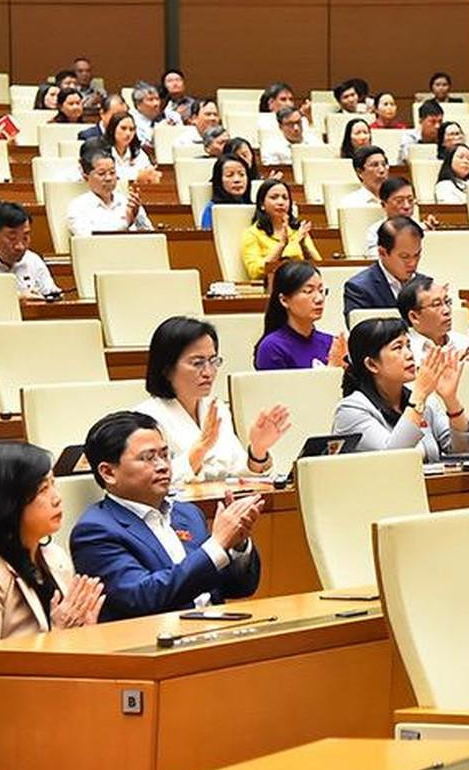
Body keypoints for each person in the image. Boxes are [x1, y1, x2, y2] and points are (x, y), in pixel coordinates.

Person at [69, 411, 263, 619]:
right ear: (108, 472)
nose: (163, 466)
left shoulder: (188, 514)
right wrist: (216, 545)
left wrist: (236, 546)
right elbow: (142, 597)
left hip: (216, 631)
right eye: (147, 458)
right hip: (155, 642)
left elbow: (240, 587)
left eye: (165, 455)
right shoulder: (95, 531)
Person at [0, 441, 105, 641]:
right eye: (43, 489)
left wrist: (84, 634)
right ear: (6, 501)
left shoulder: (55, 557)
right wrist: (58, 636)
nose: (57, 498)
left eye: (53, 484)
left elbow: (73, 645)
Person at [136, 317, 290, 484]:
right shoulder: (146, 418)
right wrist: (201, 447)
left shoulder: (216, 408)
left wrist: (258, 450)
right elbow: (150, 483)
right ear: (166, 368)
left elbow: (237, 473)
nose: (208, 372)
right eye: (197, 363)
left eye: (213, 361)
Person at [332, 318, 469, 461]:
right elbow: (395, 459)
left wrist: (450, 400)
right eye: (398, 348)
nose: (409, 354)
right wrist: (419, 396)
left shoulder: (426, 403)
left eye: (408, 345)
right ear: (372, 364)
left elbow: (465, 453)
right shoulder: (351, 410)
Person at [254, 262, 345, 371]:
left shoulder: (330, 343)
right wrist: (332, 371)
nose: (319, 299)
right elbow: (279, 388)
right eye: (308, 291)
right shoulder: (272, 347)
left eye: (321, 291)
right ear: (284, 300)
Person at [65, 146, 153, 236]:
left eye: (112, 172)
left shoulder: (128, 202)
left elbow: (151, 235)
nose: (108, 178)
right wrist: (126, 223)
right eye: (101, 174)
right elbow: (91, 240)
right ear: (86, 176)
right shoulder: (78, 207)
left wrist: (138, 216)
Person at [239, 177, 315, 281]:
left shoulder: (298, 230)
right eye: (274, 197)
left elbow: (319, 267)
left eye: (285, 198)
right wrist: (281, 245)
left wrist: (304, 245)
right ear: (262, 205)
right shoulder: (252, 234)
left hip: (301, 285)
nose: (280, 202)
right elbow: (255, 273)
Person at [344, 217, 423, 315]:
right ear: (382, 252)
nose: (413, 263)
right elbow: (362, 328)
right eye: (404, 257)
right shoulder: (359, 289)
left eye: (417, 255)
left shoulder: (426, 284)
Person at [365, 176, 419, 255]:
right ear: (383, 204)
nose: (407, 206)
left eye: (410, 200)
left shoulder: (421, 229)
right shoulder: (374, 232)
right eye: (399, 201)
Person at [201, 151, 254, 227]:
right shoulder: (212, 210)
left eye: (242, 174)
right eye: (229, 175)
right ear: (219, 180)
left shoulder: (254, 208)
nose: (237, 180)